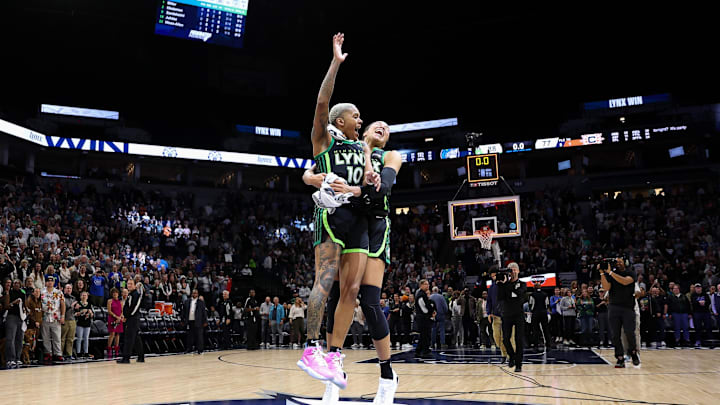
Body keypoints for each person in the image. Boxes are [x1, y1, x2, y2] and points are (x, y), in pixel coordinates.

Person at [296, 32, 377, 393]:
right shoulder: (324, 140)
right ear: (339, 121)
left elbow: (371, 179)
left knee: (353, 289)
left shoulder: (361, 146)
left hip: (360, 219)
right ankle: (311, 347)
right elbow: (321, 102)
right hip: (331, 218)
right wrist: (336, 62)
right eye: (355, 116)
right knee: (324, 282)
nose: (360, 121)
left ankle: (333, 353)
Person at [599, 257, 640, 368]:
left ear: (625, 263)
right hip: (614, 307)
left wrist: (610, 273)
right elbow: (606, 287)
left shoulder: (630, 273)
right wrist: (602, 273)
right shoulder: (611, 274)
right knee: (615, 334)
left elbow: (625, 281)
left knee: (629, 332)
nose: (617, 263)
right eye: (616, 262)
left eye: (619, 261)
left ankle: (633, 353)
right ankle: (620, 358)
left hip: (628, 308)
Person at [497, 263, 526, 372]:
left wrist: (508, 287)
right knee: (505, 339)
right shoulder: (505, 284)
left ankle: (518, 364)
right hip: (507, 314)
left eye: (514, 270)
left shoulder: (523, 284)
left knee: (519, 339)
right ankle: (512, 356)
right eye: (511, 270)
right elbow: (500, 297)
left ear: (518, 271)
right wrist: (501, 284)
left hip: (519, 314)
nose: (512, 272)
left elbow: (519, 294)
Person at [487, 269, 513, 362]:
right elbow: (489, 301)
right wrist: (489, 313)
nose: (495, 277)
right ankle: (504, 352)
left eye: (496, 275)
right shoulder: (491, 288)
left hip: (507, 315)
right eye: (493, 276)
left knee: (506, 337)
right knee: (497, 337)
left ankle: (506, 355)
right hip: (496, 316)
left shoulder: (508, 286)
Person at [117, 279, 144, 363]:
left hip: (133, 319)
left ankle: (126, 358)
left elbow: (135, 308)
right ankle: (141, 357)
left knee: (129, 338)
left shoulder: (136, 294)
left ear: (135, 285)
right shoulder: (130, 294)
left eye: (131, 284)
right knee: (136, 339)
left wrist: (127, 316)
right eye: (128, 284)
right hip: (129, 318)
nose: (129, 285)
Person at [40, 275, 65, 363]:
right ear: (45, 282)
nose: (50, 282)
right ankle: (48, 353)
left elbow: (62, 304)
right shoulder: (41, 292)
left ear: (54, 282)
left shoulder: (58, 292)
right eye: (48, 281)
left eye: (51, 281)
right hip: (45, 317)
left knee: (57, 336)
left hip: (55, 317)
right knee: (45, 337)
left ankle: (58, 354)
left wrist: (62, 316)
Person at [2, 279, 27, 368]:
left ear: (20, 284)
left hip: (20, 317)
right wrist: (14, 303)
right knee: (10, 339)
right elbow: (6, 306)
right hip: (11, 317)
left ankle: (17, 358)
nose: (16, 284)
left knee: (19, 339)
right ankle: (10, 359)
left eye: (18, 283)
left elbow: (24, 305)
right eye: (15, 283)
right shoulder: (9, 293)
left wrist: (26, 311)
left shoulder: (23, 293)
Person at [414, 280, 435, 358]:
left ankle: (419, 350)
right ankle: (425, 351)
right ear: (421, 285)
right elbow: (424, 308)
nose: (428, 286)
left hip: (424, 317)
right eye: (426, 284)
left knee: (424, 335)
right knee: (425, 335)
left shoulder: (423, 294)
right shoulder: (420, 295)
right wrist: (430, 311)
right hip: (423, 318)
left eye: (428, 284)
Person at [183, 289, 208, 354]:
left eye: (196, 293)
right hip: (190, 321)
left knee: (199, 336)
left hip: (198, 321)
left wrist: (205, 321)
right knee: (190, 336)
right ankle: (189, 349)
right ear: (191, 293)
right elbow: (184, 312)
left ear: (197, 294)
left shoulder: (201, 302)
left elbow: (204, 312)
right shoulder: (187, 301)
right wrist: (183, 320)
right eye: (193, 293)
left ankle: (200, 349)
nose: (194, 294)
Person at [528, 281, 550, 350]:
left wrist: (532, 310)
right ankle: (548, 343)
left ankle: (536, 344)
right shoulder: (545, 294)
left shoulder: (532, 295)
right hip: (543, 313)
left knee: (535, 329)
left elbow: (531, 304)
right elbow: (547, 304)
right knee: (545, 329)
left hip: (536, 313)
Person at [74, 291, 94, 358]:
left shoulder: (90, 305)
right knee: (79, 338)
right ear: (80, 296)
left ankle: (86, 352)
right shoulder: (78, 304)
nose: (84, 296)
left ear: (87, 297)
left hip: (87, 323)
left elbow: (92, 315)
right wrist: (80, 312)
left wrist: (90, 313)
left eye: (85, 295)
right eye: (82, 295)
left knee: (86, 338)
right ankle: (78, 352)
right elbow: (75, 314)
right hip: (79, 323)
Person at [61, 283, 78, 359]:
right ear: (64, 289)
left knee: (70, 339)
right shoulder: (62, 298)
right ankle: (60, 354)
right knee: (62, 338)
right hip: (65, 319)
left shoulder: (73, 298)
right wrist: (71, 306)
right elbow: (62, 309)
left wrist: (77, 308)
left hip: (72, 319)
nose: (68, 290)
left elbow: (74, 309)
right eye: (67, 288)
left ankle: (69, 354)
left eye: (70, 288)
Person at [106, 287, 123, 358]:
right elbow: (109, 311)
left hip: (119, 319)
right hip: (112, 318)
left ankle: (116, 349)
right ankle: (109, 349)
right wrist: (116, 317)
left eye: (116, 293)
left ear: (118, 294)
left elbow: (122, 311)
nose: (115, 294)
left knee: (117, 334)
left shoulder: (121, 302)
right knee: (112, 334)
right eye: (113, 293)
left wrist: (120, 317)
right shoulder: (109, 301)